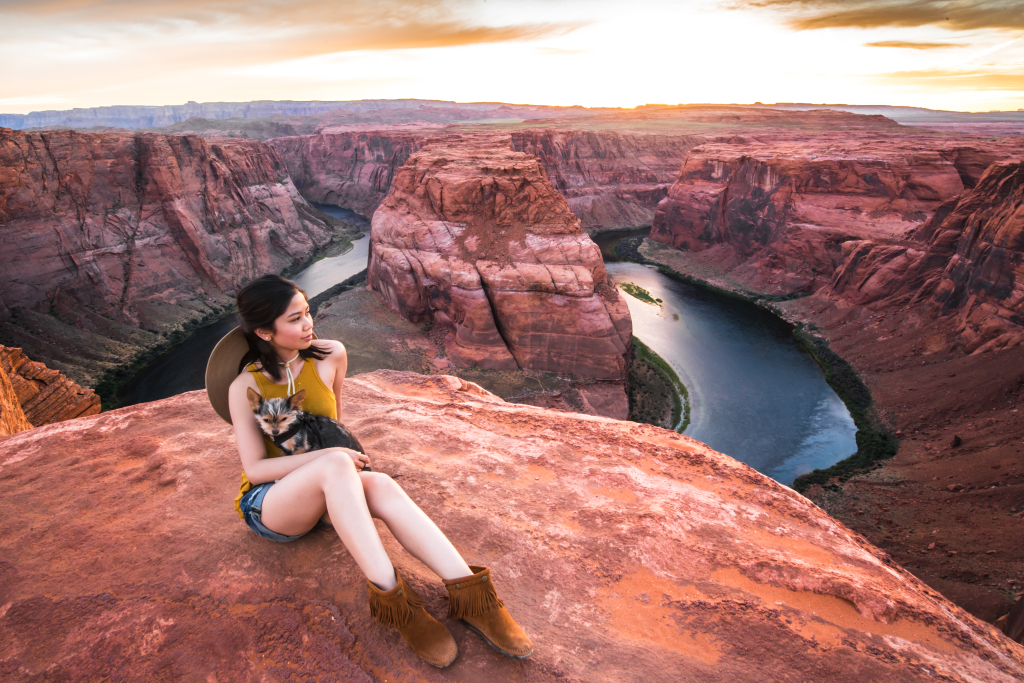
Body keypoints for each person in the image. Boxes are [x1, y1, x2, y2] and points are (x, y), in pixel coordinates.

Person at [204, 274, 532, 668]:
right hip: (271, 505)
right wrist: (333, 460)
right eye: (294, 319)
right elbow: (256, 470)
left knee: (381, 485)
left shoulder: (331, 355)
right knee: (336, 461)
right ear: (264, 331)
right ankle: (398, 605)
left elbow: (334, 424)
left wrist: (335, 462)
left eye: (307, 313)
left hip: (326, 484)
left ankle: (472, 596)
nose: (309, 324)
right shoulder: (244, 386)